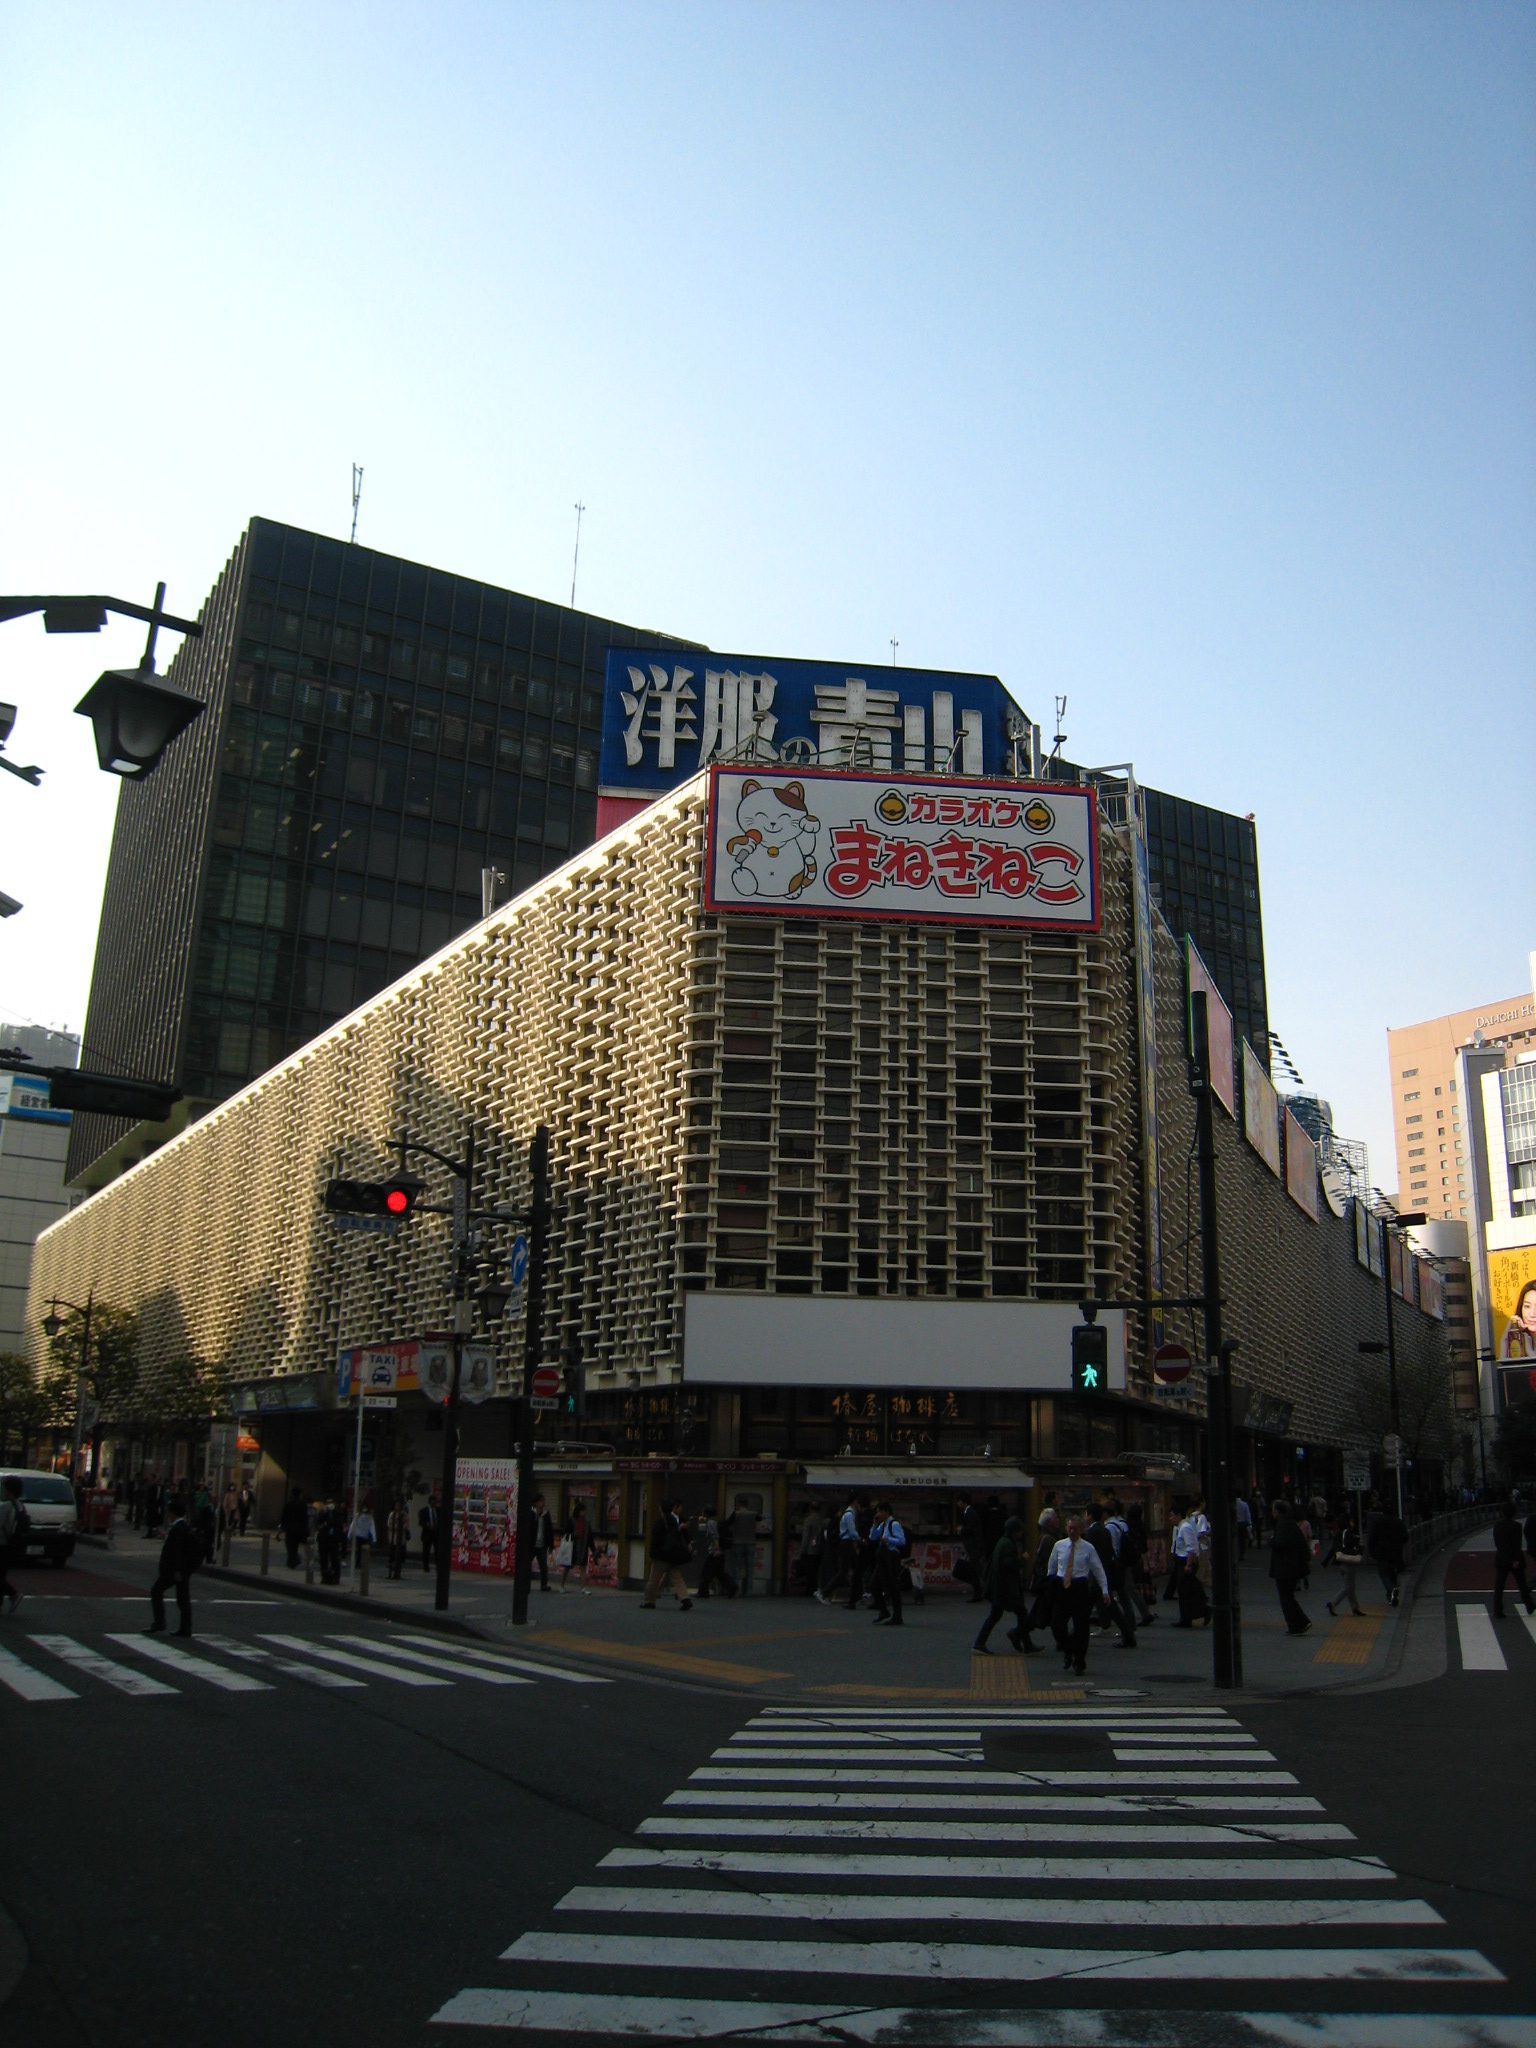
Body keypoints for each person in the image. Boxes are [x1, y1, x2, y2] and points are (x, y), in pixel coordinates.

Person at [1048, 1514, 1109, 1676]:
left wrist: (1105, 1589)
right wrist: (1050, 1584)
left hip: (1080, 1586)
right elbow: (1052, 1566)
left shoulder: (1088, 1548)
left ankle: (1079, 1660)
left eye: (1075, 1528)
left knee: (1081, 1627)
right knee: (1057, 1624)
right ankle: (1068, 1649)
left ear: (1081, 1530)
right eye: (1069, 1527)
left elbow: (1097, 1569)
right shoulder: (1059, 1545)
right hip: (1062, 1586)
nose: (1072, 1531)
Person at [973, 1514, 1037, 1653]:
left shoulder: (1002, 1541)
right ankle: (1025, 1642)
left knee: (997, 1614)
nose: (1021, 1534)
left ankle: (980, 1643)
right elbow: (1009, 1564)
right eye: (1019, 1531)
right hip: (1006, 1588)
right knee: (1020, 1612)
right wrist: (1022, 1560)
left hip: (999, 1587)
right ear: (1015, 1531)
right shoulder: (1008, 1544)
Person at [148, 1502, 200, 1637]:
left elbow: (177, 1551)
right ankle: (184, 1628)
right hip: (181, 1569)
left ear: (172, 1513)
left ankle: (161, 1622)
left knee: (157, 1591)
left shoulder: (179, 1528)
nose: (167, 1515)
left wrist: (177, 1570)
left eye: (169, 1512)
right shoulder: (183, 1527)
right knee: (182, 1598)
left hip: (175, 1570)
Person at [1269, 1498, 1312, 1636]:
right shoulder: (1291, 1523)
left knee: (1286, 1597)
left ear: (1277, 1511)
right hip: (1293, 1566)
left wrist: (1272, 1541)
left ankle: (1297, 1623)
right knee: (1289, 1596)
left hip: (1285, 1567)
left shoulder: (1282, 1525)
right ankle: (1300, 1622)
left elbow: (1280, 1543)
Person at [640, 1499, 693, 1610]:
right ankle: (685, 1598)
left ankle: (649, 1601)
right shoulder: (676, 1521)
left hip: (661, 1555)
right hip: (673, 1555)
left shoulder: (660, 1522)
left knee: (654, 1579)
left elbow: (655, 1540)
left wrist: (652, 1554)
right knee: (677, 1577)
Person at [1491, 1500, 1536, 1620]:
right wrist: (1515, 1559)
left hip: (1501, 1558)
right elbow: (1516, 1544)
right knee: (1522, 1584)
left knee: (1499, 1586)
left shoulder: (1497, 1525)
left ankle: (1497, 1610)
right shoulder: (1517, 1526)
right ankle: (1529, 1605)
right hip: (1516, 1559)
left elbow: (1498, 1543)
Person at [869, 1501, 907, 1626]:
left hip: (891, 1557)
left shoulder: (894, 1524)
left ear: (886, 1511)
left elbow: (901, 1541)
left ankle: (897, 1616)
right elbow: (873, 1537)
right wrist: (875, 1524)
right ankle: (883, 1610)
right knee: (874, 1584)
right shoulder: (883, 1525)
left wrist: (888, 1540)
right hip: (883, 1558)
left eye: (879, 1511)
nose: (878, 1514)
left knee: (893, 1586)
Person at [1365, 1493, 1407, 1607]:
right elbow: (1405, 1536)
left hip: (1382, 1552)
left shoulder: (1378, 1522)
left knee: (1384, 1573)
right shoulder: (1398, 1521)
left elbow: (1372, 1537)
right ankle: (1392, 1593)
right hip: (1396, 1551)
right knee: (1393, 1573)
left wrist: (1372, 1551)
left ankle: (1391, 1591)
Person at [1323, 1510, 1366, 1618]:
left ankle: (1355, 1608)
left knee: (1350, 1587)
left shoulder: (1339, 1533)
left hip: (1341, 1562)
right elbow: (1351, 1546)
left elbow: (1334, 1548)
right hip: (1349, 1563)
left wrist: (1326, 1560)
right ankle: (1333, 1604)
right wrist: (1359, 1548)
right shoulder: (1348, 1533)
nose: (1353, 1522)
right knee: (1348, 1588)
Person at [694, 1511, 736, 1599]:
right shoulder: (716, 1521)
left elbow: (714, 1536)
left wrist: (716, 1549)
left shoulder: (710, 1523)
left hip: (714, 1551)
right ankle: (732, 1587)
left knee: (706, 1572)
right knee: (720, 1573)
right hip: (719, 1552)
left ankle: (703, 1592)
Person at [0, 1474, 26, 1615]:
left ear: (8, 1490)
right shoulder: (20, 1505)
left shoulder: (5, 1506)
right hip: (12, 1544)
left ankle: (13, 1594)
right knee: (1, 1575)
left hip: (2, 1543)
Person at [727, 1497, 759, 1596]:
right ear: (747, 1505)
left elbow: (727, 1523)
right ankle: (749, 1591)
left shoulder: (736, 1514)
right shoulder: (754, 1514)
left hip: (737, 1542)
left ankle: (736, 1590)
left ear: (739, 1505)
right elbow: (761, 1518)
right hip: (751, 1542)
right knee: (750, 1568)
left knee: (737, 1567)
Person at [958, 1494, 986, 1603]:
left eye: (959, 1502)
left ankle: (979, 1593)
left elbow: (971, 1529)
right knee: (976, 1570)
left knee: (976, 1570)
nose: (958, 1504)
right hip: (975, 1546)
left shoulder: (970, 1513)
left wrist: (962, 1530)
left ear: (963, 1502)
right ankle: (978, 1593)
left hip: (974, 1546)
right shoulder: (970, 1512)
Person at [523, 1493, 553, 1592]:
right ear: (535, 1503)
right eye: (541, 1501)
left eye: (543, 1501)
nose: (543, 1503)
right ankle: (525, 1584)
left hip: (542, 1544)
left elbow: (549, 1529)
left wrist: (550, 1544)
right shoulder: (531, 1513)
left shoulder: (546, 1514)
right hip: (531, 1543)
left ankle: (544, 1584)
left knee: (543, 1566)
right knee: (527, 1565)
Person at [560, 1503, 593, 1593]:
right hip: (572, 1547)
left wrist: (593, 1549)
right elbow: (565, 1533)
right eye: (583, 1510)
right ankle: (562, 1585)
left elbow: (590, 1536)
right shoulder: (572, 1521)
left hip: (583, 1546)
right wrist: (573, 1535)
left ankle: (583, 1587)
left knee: (582, 1567)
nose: (584, 1512)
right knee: (567, 1566)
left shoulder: (586, 1522)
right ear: (578, 1511)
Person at [1500, 1279, 1536, 1359]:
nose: (1532, 1314)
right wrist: (1506, 1336)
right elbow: (1505, 1367)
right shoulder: (1519, 1341)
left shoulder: (1526, 1340)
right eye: (1527, 1306)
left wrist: (1530, 1352)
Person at [279, 1486, 309, 1571]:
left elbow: (284, 1517)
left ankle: (292, 1561)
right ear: (300, 1494)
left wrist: (282, 1528)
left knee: (290, 1546)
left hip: (290, 1528)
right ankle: (294, 1561)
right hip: (300, 1528)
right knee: (296, 1546)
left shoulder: (289, 1504)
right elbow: (305, 1518)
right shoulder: (303, 1505)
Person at [347, 1498, 377, 1571]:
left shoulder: (369, 1517)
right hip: (358, 1535)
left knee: (363, 1551)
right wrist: (349, 1535)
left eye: (365, 1507)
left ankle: (360, 1563)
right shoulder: (358, 1515)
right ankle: (357, 1563)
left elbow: (372, 1527)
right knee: (359, 1551)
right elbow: (353, 1525)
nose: (364, 1509)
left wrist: (374, 1538)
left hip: (365, 1536)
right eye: (363, 1507)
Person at [386, 1496, 411, 1580]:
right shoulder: (392, 1514)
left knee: (399, 1557)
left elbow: (407, 1524)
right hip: (393, 1537)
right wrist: (395, 1527)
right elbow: (389, 1524)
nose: (397, 1507)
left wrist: (401, 1527)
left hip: (400, 1538)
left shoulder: (404, 1515)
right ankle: (390, 1572)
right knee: (391, 1556)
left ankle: (397, 1572)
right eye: (396, 1505)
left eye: (399, 1505)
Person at [419, 1497, 439, 1574]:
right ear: (429, 1502)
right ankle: (426, 1567)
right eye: (432, 1502)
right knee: (426, 1551)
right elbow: (421, 1522)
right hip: (427, 1533)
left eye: (435, 1502)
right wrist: (427, 1525)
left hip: (436, 1534)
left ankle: (438, 1566)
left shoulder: (438, 1510)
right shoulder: (423, 1511)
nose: (434, 1503)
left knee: (437, 1551)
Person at [1234, 1493, 1253, 1562]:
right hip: (1242, 1524)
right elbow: (1247, 1516)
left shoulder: (1233, 1504)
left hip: (1234, 1524)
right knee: (1243, 1541)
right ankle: (1241, 1555)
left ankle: (1235, 1554)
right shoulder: (1244, 1504)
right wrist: (1250, 1525)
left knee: (1236, 1540)